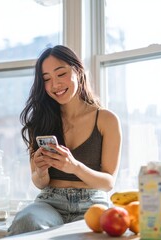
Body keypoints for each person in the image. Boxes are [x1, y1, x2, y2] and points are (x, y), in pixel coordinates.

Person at [7, 45, 122, 235]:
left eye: (61, 74)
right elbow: (39, 182)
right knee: (25, 222)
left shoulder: (106, 119)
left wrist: (74, 167)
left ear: (78, 70)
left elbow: (108, 182)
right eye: (47, 79)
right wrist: (41, 171)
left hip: (93, 204)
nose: (55, 85)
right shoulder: (40, 121)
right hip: (50, 203)